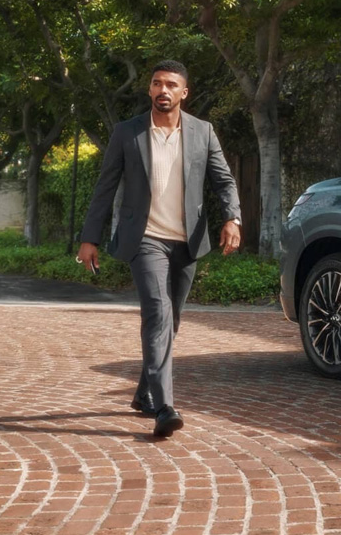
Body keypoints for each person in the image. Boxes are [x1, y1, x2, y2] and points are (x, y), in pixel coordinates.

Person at [77, 60, 241, 438]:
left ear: (184, 92)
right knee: (158, 313)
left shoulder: (203, 132)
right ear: (150, 89)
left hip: (187, 240)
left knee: (171, 320)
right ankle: (165, 407)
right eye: (156, 83)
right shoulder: (127, 132)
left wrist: (232, 218)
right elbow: (105, 186)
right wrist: (90, 238)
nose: (162, 90)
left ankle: (143, 393)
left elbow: (224, 181)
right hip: (145, 238)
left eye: (170, 84)